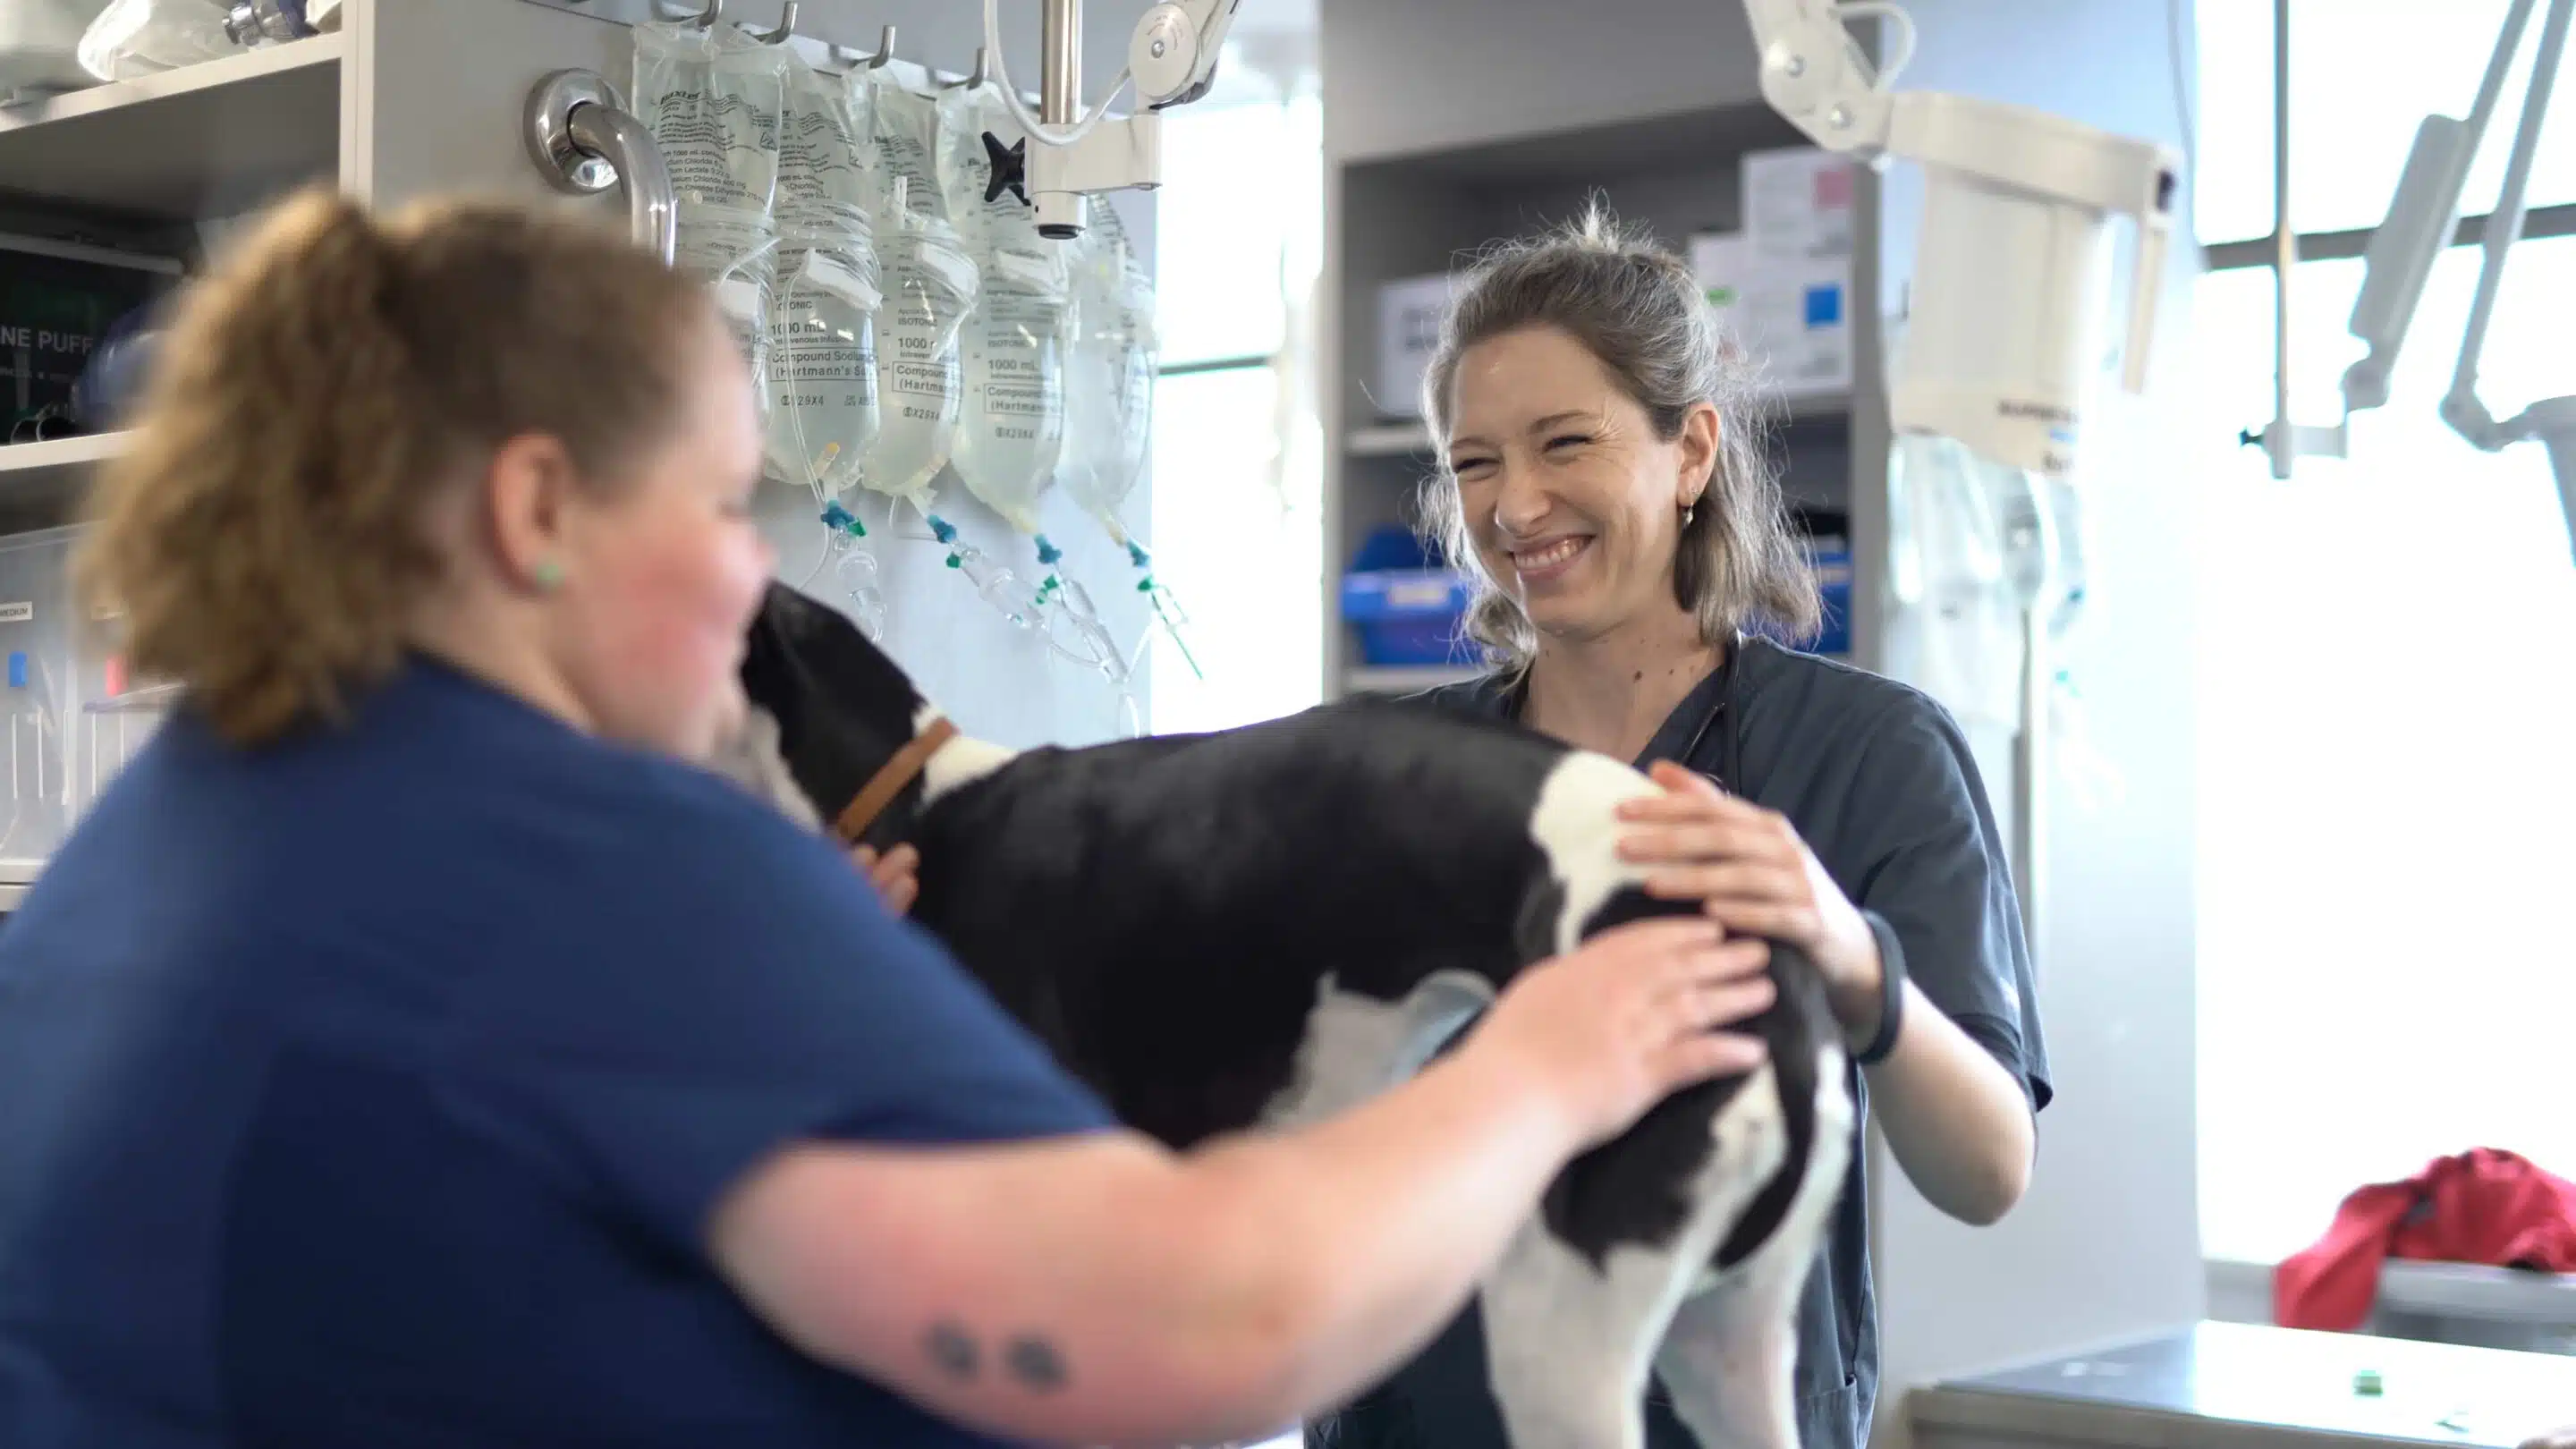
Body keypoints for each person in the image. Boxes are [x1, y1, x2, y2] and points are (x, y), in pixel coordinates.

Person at [0, 190, 1784, 1449]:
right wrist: (1546, 1067)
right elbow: (1212, 1325)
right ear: (538, 507)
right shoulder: (616, 869)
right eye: (716, 504)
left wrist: (773, 1011)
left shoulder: (153, 844)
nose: (743, 578)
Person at [1310, 212, 2052, 1449]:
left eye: (1566, 444)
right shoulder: (1401, 772)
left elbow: (1988, 1171)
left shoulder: (1867, 754)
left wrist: (1852, 958)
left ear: (1690, 449)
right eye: (1475, 463)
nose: (1516, 505)